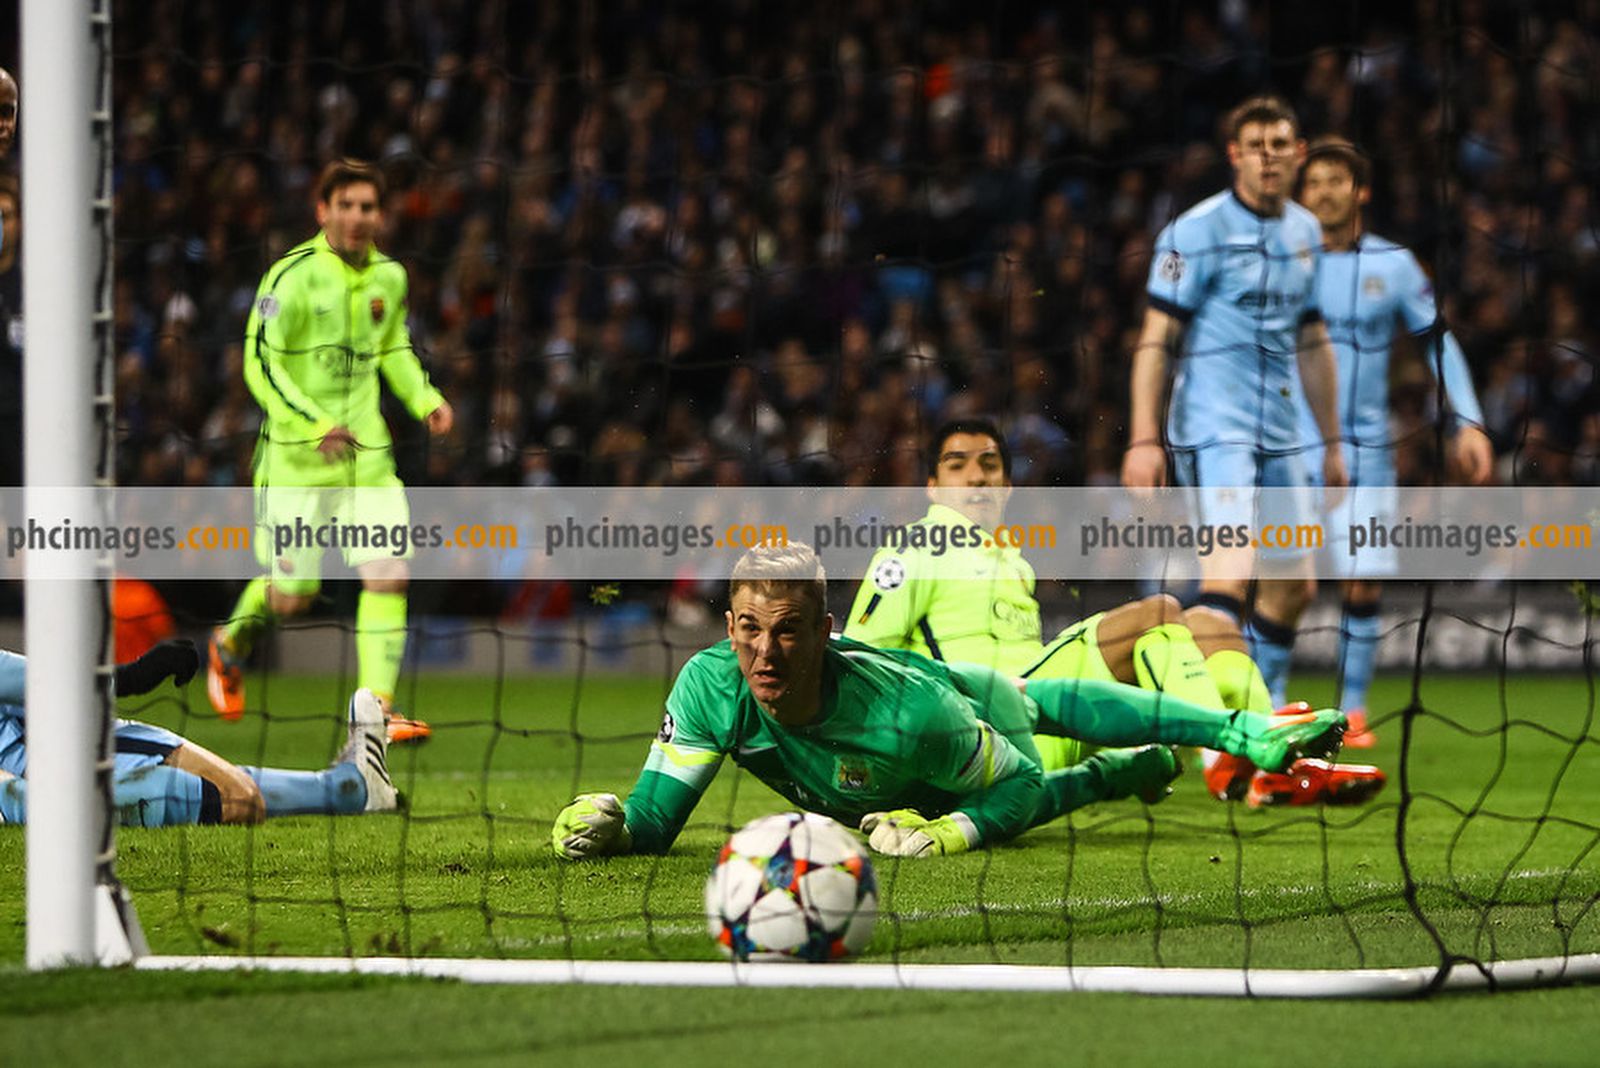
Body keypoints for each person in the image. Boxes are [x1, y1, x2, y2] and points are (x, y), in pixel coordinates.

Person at [551, 544, 1348, 860]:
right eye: (749, 631)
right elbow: (654, 825)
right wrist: (610, 825)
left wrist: (954, 833)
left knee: (1037, 703)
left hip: (963, 713)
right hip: (916, 743)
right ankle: (1168, 758)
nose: (764, 653)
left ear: (821, 632)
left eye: (789, 633)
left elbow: (1023, 783)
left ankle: (1236, 736)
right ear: (728, 628)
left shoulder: (909, 714)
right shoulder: (710, 684)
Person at [844, 418, 1384, 807]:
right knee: (1158, 613)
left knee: (1210, 627)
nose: (977, 477)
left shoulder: (1010, 559)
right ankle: (1229, 753)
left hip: (1048, 726)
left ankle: (1273, 770)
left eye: (990, 465)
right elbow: (864, 661)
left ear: (1007, 488)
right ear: (932, 488)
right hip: (984, 730)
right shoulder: (912, 549)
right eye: (957, 465)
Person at [207, 158, 453, 744]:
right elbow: (257, 362)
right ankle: (229, 642)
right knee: (292, 597)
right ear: (323, 211)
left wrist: (425, 399)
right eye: (345, 205)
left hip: (367, 460)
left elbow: (392, 346)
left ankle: (377, 708)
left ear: (380, 214)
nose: (357, 217)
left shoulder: (390, 277)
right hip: (295, 461)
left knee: (389, 573)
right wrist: (314, 421)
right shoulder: (289, 277)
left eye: (367, 206)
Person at [1123, 94, 1348, 715]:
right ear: (1235, 156)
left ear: (1299, 154)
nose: (1269, 157)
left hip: (1283, 433)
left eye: (1280, 145)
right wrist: (1143, 439)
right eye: (1256, 146)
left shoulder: (1305, 230)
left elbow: (1312, 341)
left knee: (1294, 586)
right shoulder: (1193, 233)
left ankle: (1264, 709)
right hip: (1215, 429)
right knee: (1227, 575)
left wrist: (1331, 443)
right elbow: (1156, 340)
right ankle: (1218, 730)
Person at [1293, 137, 1493, 746]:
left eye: (1336, 180)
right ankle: (1268, 709)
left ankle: (1351, 713)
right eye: (1314, 182)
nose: (1324, 191)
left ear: (1362, 191)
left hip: (1367, 450)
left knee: (1363, 578)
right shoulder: (1283, 261)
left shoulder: (1396, 265)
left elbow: (1438, 339)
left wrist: (1468, 419)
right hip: (1288, 445)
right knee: (1282, 582)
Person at [0, 640, 398, 826]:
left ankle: (350, 789)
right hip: (63, 758)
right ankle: (350, 790)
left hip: (58, 751)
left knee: (236, 790)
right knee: (240, 797)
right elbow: (42, 682)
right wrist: (131, 677)